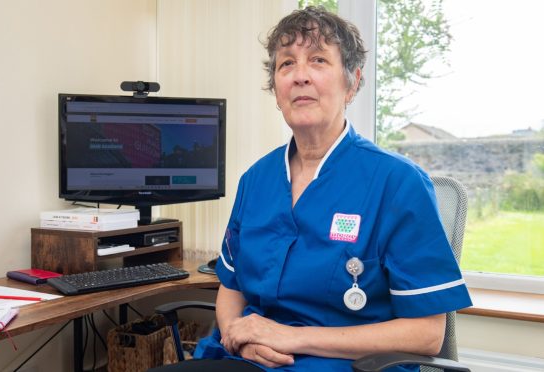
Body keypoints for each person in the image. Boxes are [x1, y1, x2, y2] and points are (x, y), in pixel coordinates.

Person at [149, 6, 472, 372]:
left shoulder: (398, 183)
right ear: (276, 90)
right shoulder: (255, 180)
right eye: (286, 64)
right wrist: (238, 334)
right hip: (250, 360)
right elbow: (232, 285)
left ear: (351, 83)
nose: (300, 76)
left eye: (318, 60)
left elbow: (427, 334)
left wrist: (290, 337)